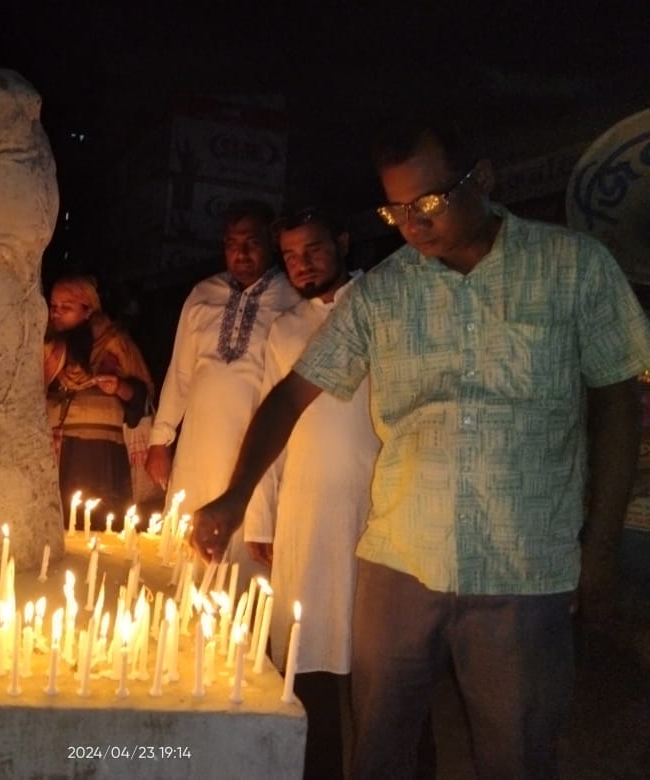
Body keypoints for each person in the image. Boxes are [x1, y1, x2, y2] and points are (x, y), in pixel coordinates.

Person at [190, 119, 650, 778]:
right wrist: (236, 496)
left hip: (523, 564)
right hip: (400, 559)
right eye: (395, 208)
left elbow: (615, 402)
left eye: (428, 201)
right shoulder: (386, 291)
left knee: (516, 752)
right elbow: (292, 394)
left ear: (482, 180)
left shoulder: (572, 265)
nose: (412, 223)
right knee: (379, 748)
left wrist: (600, 545)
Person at [244, 209, 379, 779]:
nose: (302, 264)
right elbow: (272, 421)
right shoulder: (283, 328)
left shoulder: (383, 303)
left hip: (377, 509)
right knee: (309, 656)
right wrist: (260, 517)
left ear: (343, 240)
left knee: (383, 666)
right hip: (303, 510)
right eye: (292, 255)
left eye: (314, 249)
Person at [145, 200, 299, 564]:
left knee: (246, 555)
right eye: (232, 244)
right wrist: (160, 439)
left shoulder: (292, 300)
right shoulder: (202, 295)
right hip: (198, 445)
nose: (241, 253)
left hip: (255, 446)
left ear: (271, 242)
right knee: (188, 554)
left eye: (252, 242)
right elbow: (181, 373)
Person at [46, 275, 153, 526]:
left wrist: (118, 387)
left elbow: (141, 399)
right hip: (53, 450)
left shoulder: (114, 345)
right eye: (53, 307)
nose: (56, 314)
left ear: (88, 311)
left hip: (96, 455)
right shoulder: (49, 347)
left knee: (92, 523)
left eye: (66, 307)